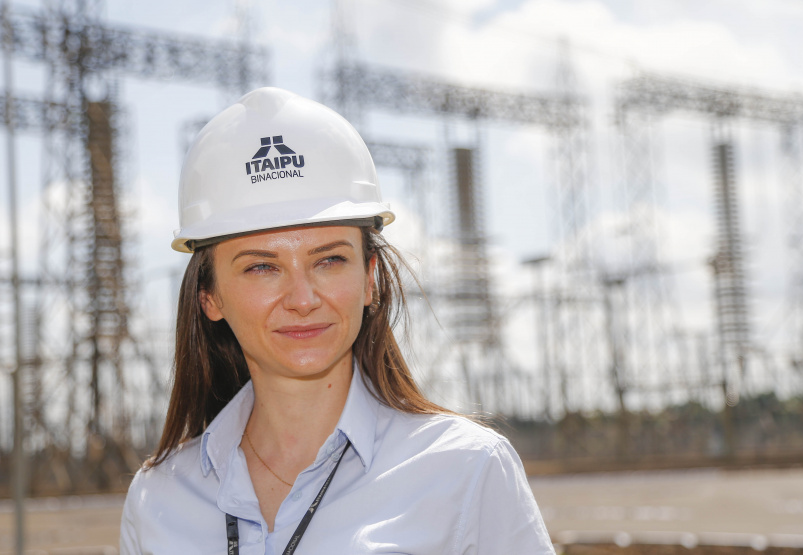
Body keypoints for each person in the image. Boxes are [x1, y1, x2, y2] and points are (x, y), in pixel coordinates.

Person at [120, 87, 554, 554]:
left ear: (370, 280)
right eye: (262, 267)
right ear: (210, 297)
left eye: (328, 261)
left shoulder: (466, 471)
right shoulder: (157, 500)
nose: (303, 299)